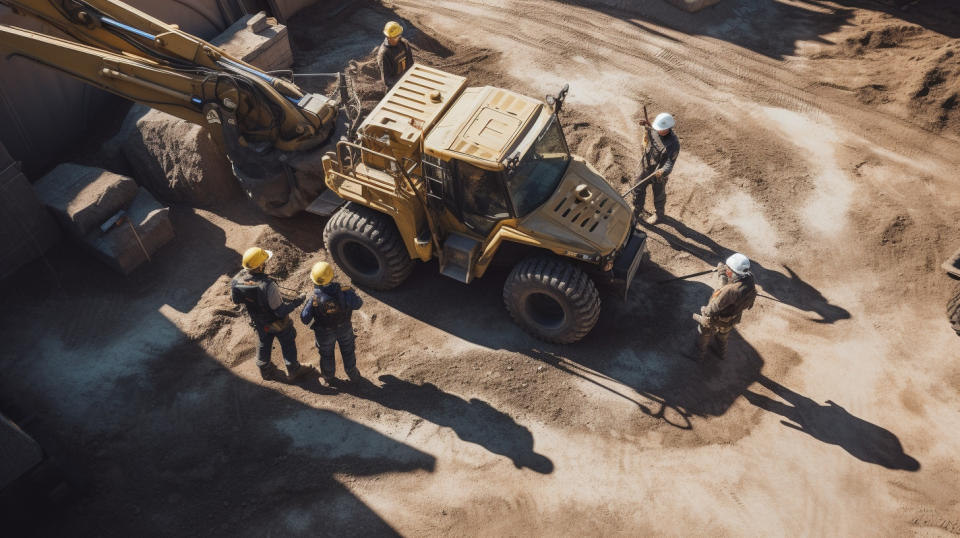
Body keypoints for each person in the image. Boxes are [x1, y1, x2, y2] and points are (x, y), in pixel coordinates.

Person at [230, 247, 309, 381]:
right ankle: (293, 370)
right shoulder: (268, 286)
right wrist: (298, 301)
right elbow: (280, 311)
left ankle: (265, 370)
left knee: (263, 341)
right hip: (277, 322)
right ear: (260, 266)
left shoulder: (236, 280)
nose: (266, 263)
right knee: (287, 341)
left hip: (258, 321)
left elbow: (236, 300)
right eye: (264, 262)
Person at [300, 261, 364, 388]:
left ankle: (328, 377)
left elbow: (304, 318)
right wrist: (352, 295)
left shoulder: (314, 299)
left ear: (315, 280)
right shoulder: (345, 291)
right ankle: (353, 374)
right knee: (348, 351)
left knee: (327, 355)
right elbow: (358, 304)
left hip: (324, 333)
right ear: (332, 276)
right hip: (345, 328)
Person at [694, 252, 757, 359]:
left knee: (704, 333)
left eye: (728, 268)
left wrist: (705, 311)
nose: (726, 268)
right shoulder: (750, 279)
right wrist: (723, 273)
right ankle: (721, 353)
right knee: (723, 337)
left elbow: (715, 306)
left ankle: (698, 354)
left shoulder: (730, 291)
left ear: (733, 272)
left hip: (717, 319)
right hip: (732, 319)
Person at [633, 112, 680, 225]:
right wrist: (647, 125)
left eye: (661, 129)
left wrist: (663, 171)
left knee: (658, 194)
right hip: (647, 164)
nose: (658, 131)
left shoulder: (673, 144)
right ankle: (637, 209)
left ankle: (659, 215)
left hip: (659, 172)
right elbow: (652, 129)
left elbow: (670, 163)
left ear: (668, 128)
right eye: (657, 128)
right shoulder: (656, 129)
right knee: (638, 187)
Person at [377, 21, 414, 89]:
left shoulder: (404, 43)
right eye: (396, 37)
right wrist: (401, 85)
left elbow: (410, 64)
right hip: (395, 88)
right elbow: (387, 80)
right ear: (388, 37)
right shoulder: (384, 53)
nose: (399, 38)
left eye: (399, 35)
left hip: (407, 83)